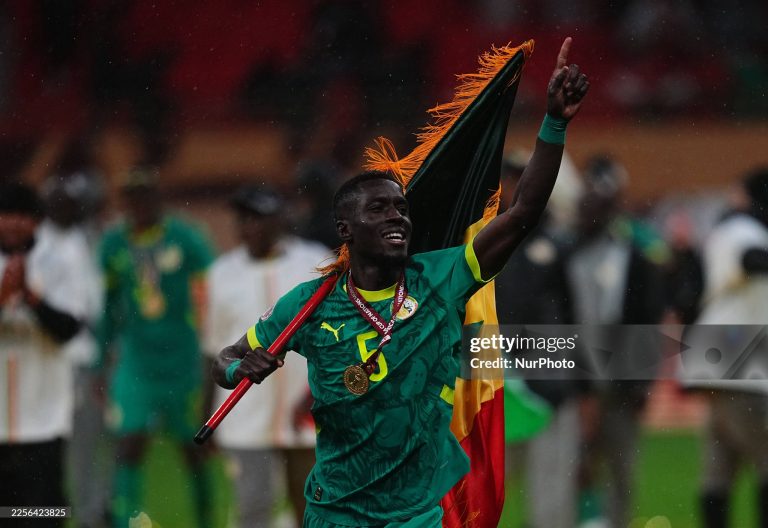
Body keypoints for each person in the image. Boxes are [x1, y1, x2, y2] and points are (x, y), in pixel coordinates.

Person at [212, 37, 589, 527]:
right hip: (335, 512)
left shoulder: (442, 278)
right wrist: (240, 370)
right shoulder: (308, 304)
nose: (397, 217)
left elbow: (522, 213)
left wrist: (555, 123)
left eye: (401, 208)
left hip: (415, 514)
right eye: (379, 209)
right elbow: (225, 361)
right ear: (346, 230)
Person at [205, 185, 331, 527]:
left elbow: (337, 337)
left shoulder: (316, 262)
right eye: (243, 218)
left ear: (280, 220)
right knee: (253, 508)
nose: (248, 227)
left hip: (308, 413)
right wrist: (208, 413)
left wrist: (316, 393)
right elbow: (214, 349)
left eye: (257, 218)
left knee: (313, 508)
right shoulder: (221, 273)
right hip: (244, 414)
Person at [96, 167, 215, 527]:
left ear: (158, 200)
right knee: (130, 442)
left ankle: (206, 520)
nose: (140, 205)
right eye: (132, 199)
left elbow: (212, 290)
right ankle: (125, 520)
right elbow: (106, 308)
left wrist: (211, 345)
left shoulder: (186, 239)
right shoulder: (113, 245)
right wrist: (101, 361)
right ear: (125, 204)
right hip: (137, 361)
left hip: (182, 360)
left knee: (194, 447)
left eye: (146, 197)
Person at [566, 155, 669, 528]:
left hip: (619, 383)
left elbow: (647, 320)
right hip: (576, 382)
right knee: (574, 467)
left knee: (621, 466)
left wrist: (641, 380)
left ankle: (616, 522)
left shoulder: (635, 259)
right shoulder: (566, 257)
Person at [0, 182, 91, 527]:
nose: (12, 223)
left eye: (23, 216)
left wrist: (29, 295)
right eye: (5, 215)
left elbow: (69, 328)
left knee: (43, 514)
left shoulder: (59, 259)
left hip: (43, 418)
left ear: (37, 222)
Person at [693, 168, 768, 528]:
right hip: (741, 361)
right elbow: (752, 258)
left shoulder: (728, 228)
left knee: (718, 466)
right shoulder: (744, 230)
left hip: (721, 356)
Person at [39, 173, 107, 528]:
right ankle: (47, 512)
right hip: (49, 359)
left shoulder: (90, 240)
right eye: (62, 200)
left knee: (89, 441)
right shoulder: (36, 245)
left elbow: (97, 304)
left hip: (87, 357)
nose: (71, 207)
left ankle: (90, 513)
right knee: (46, 443)